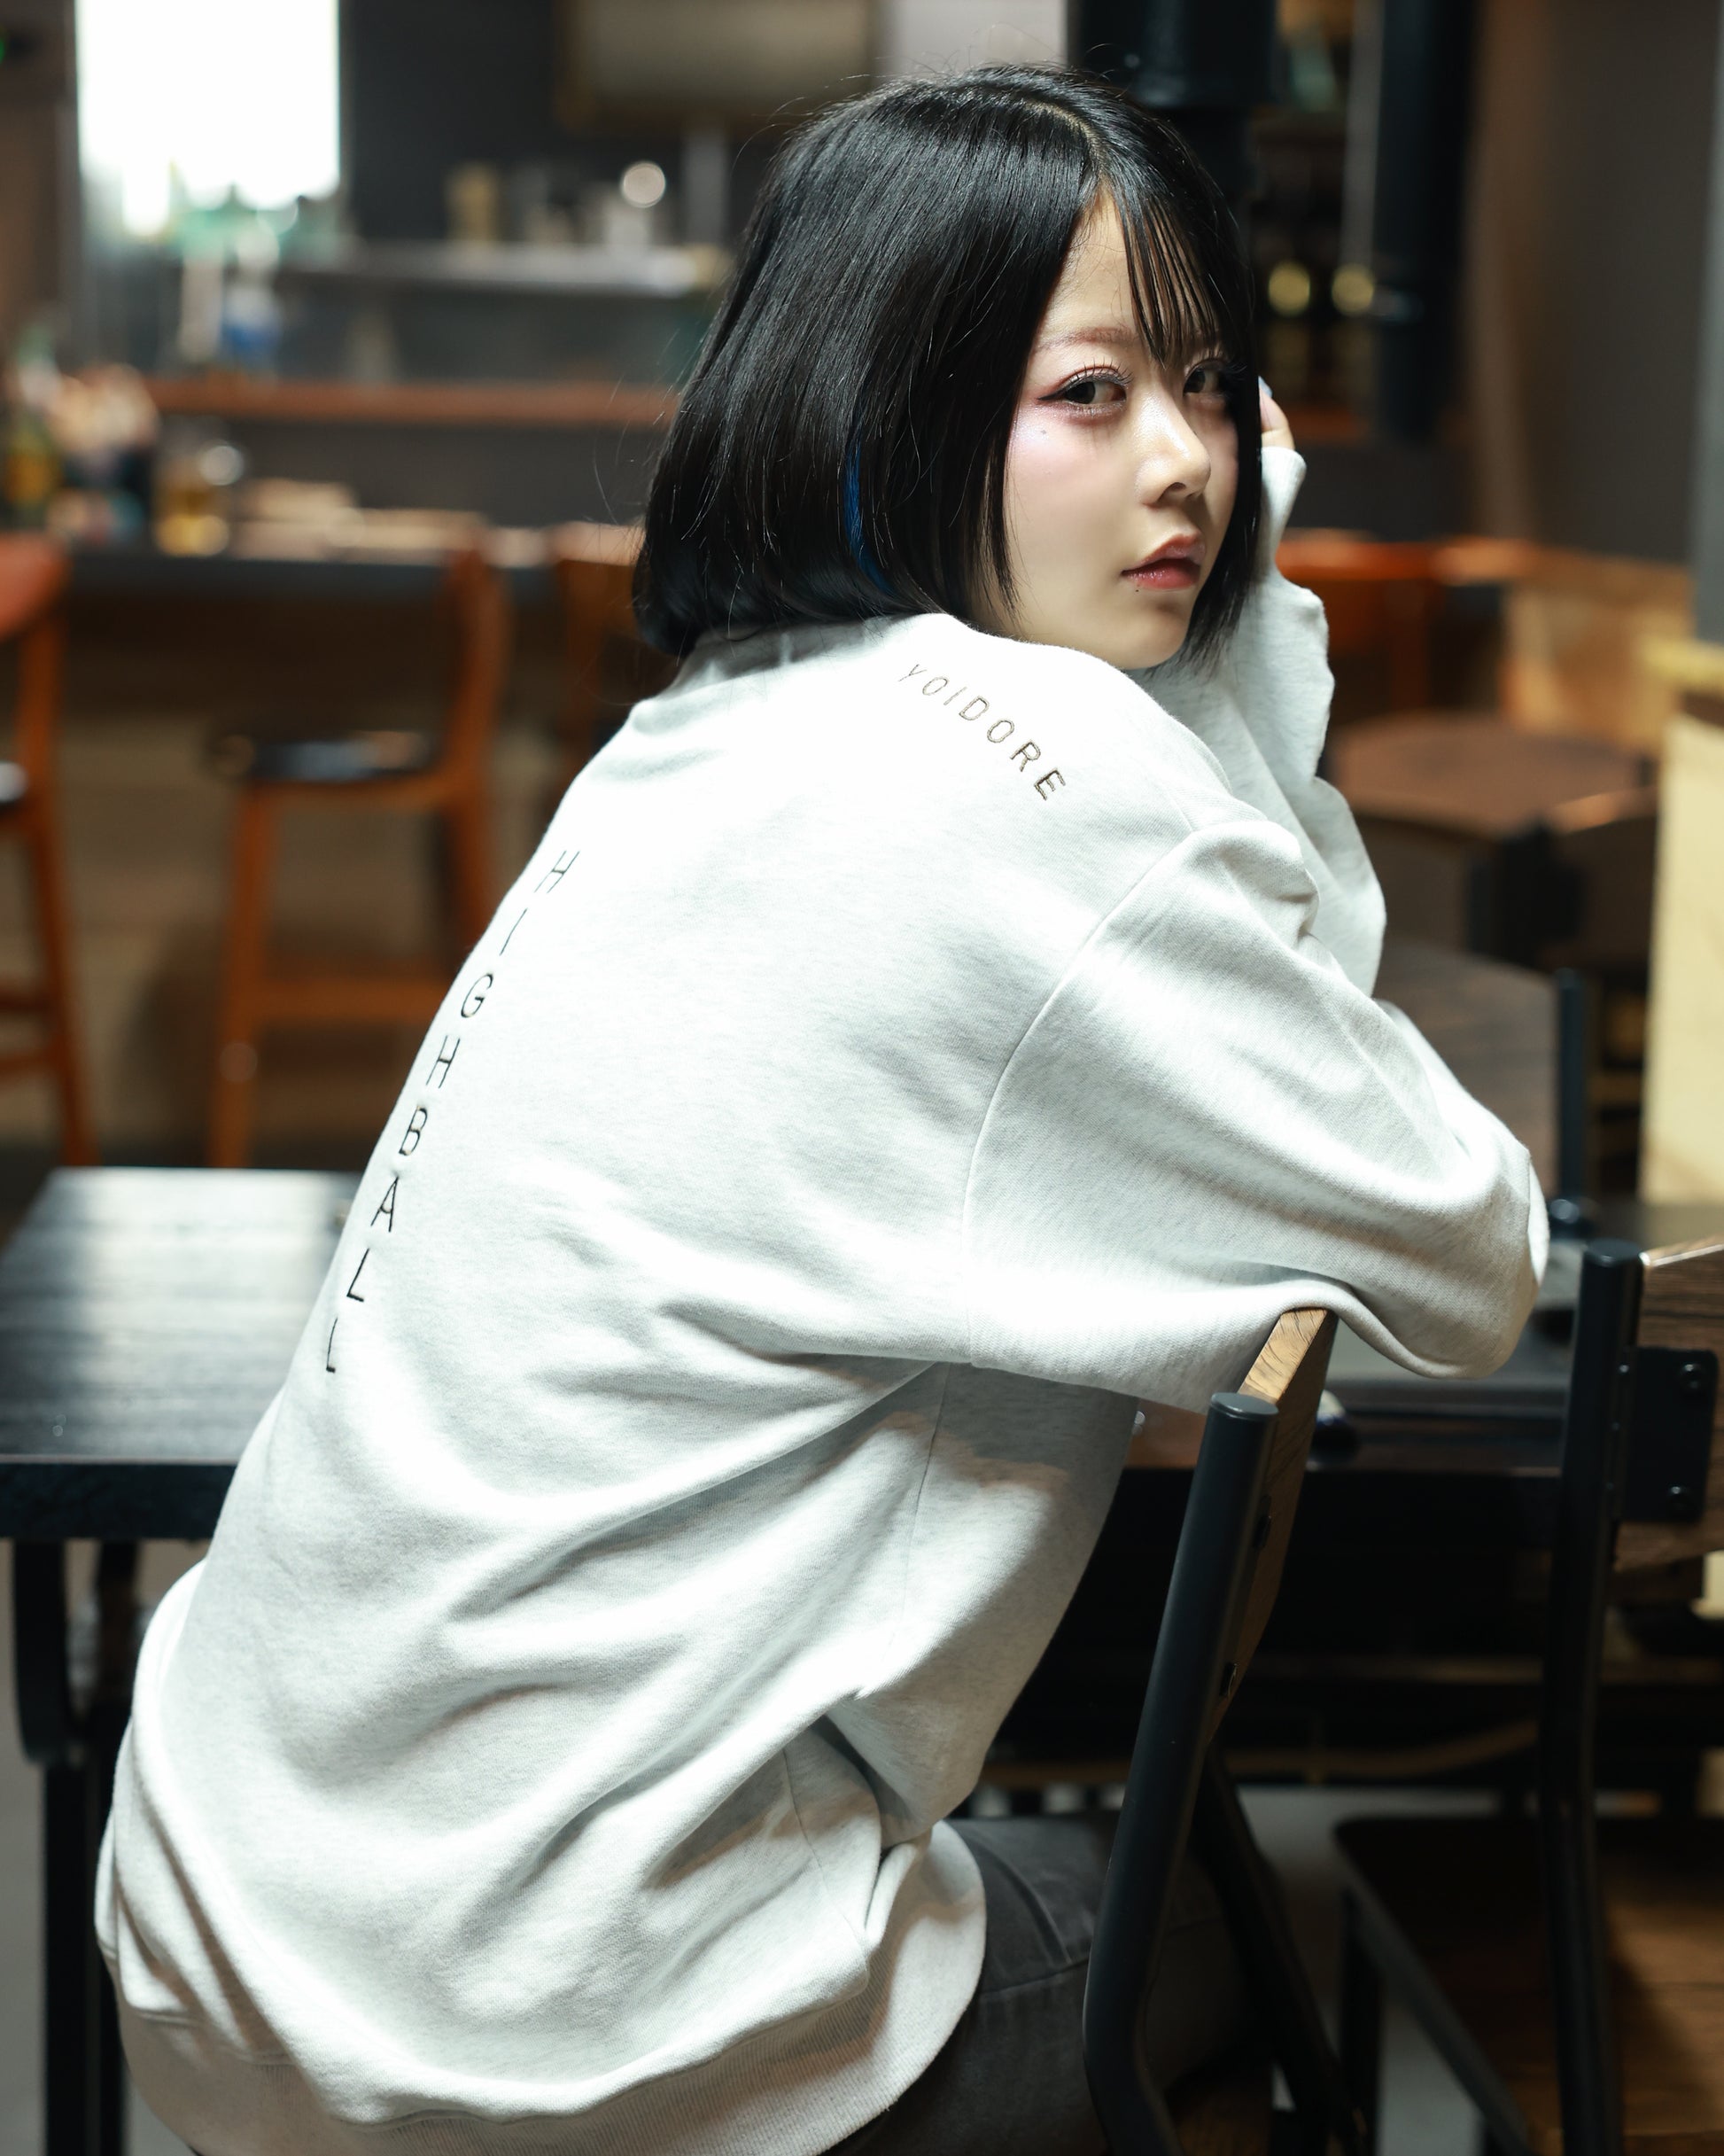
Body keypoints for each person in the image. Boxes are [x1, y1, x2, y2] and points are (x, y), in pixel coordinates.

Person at [98, 65, 1545, 2156]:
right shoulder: (1051, 788)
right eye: (1090, 392)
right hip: (532, 2027)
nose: (1189, 467)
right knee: (1242, 1923)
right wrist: (1225, 692)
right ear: (907, 400)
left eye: (1212, 388)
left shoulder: (706, 720)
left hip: (221, 1925)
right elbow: (1470, 1244)